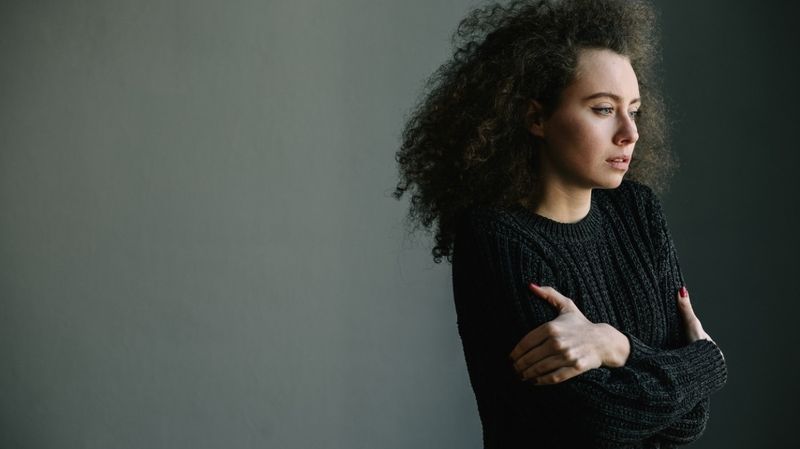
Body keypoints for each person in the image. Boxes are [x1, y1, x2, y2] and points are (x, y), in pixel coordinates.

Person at [393, 0, 728, 447]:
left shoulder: (638, 210)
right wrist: (705, 361)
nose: (630, 132)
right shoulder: (497, 238)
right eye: (604, 109)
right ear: (537, 118)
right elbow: (594, 420)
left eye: (635, 109)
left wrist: (616, 346)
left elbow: (692, 419)